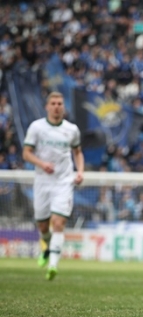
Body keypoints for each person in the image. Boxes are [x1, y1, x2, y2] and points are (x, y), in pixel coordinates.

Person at [22, 92, 84, 280]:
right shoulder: (37, 127)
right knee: (42, 225)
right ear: (47, 107)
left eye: (60, 103)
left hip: (63, 182)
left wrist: (80, 171)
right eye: (53, 103)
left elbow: (78, 152)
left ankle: (53, 265)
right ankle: (47, 247)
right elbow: (26, 153)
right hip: (42, 181)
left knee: (58, 222)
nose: (57, 106)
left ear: (63, 107)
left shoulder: (71, 129)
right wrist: (42, 164)